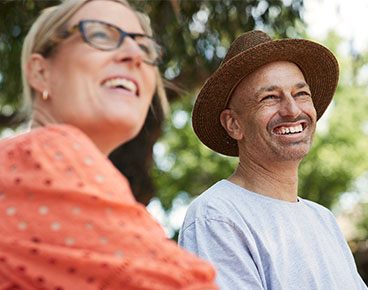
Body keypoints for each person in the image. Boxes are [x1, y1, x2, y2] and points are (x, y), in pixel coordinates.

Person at [0, 0, 217, 289]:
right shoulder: (46, 152)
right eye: (101, 35)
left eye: (145, 48)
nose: (134, 55)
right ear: (40, 72)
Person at [178, 30, 368, 289]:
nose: (292, 110)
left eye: (301, 94)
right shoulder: (218, 216)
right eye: (269, 97)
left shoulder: (323, 219)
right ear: (233, 124)